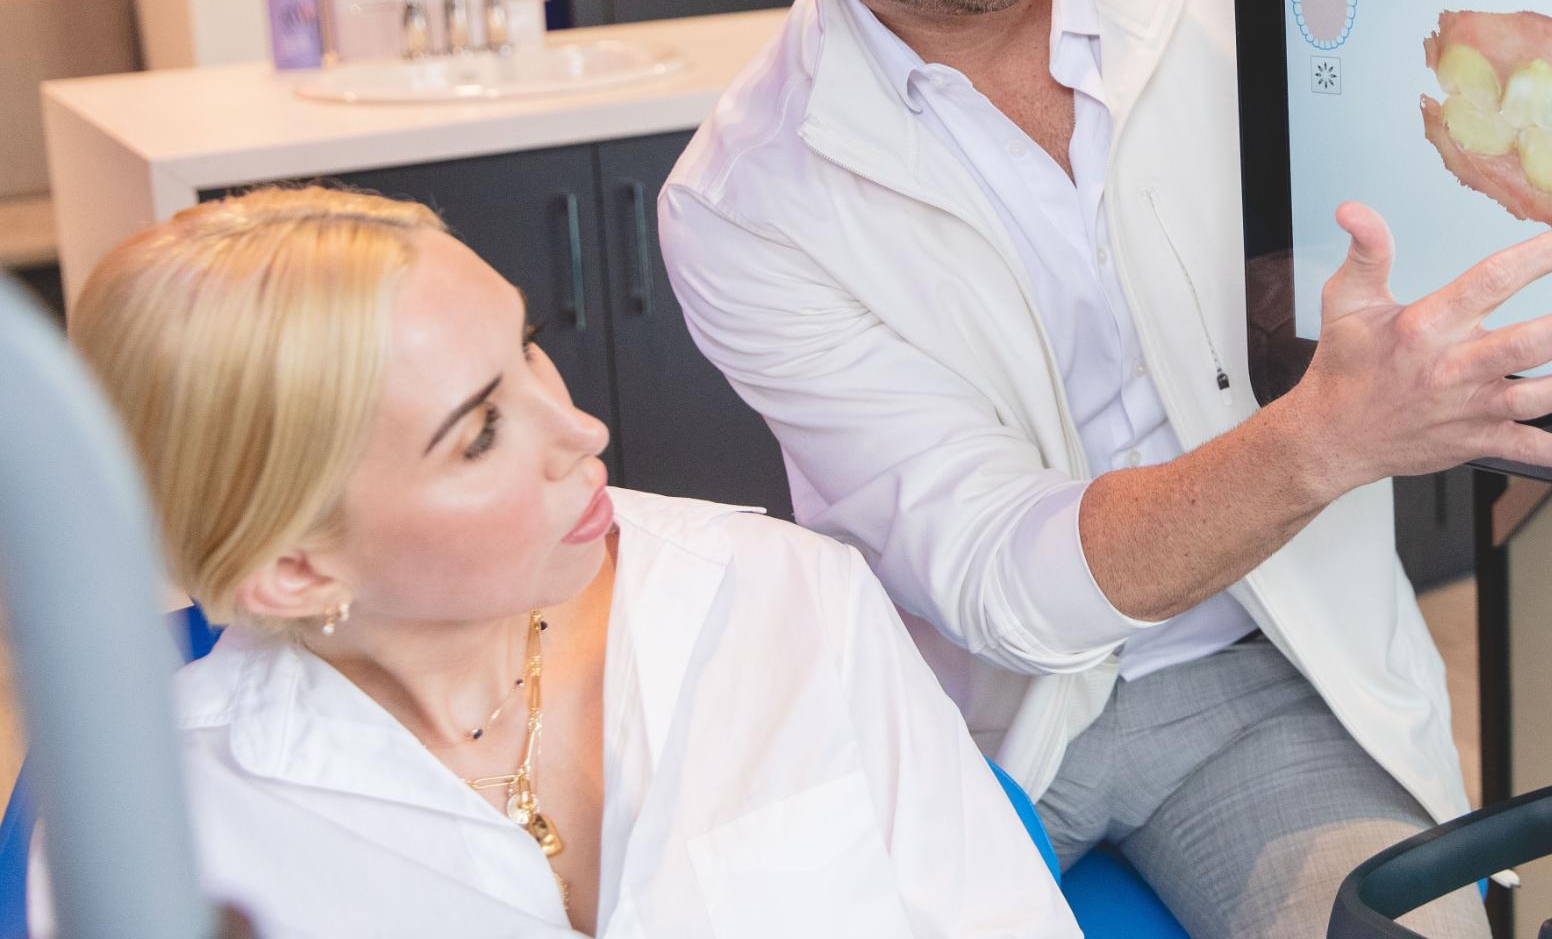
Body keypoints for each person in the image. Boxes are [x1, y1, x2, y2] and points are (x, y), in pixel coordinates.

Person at [631, 0, 1552, 939]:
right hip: (965, 727)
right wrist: (1327, 441)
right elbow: (998, 579)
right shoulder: (746, 206)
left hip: (1264, 672)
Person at [32, 187, 1078, 939]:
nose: (582, 429)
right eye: (478, 434)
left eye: (527, 346)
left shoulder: (786, 595)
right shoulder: (170, 821)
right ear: (296, 570)